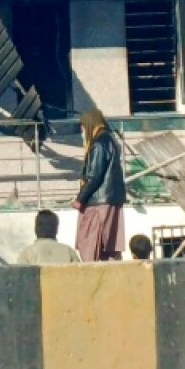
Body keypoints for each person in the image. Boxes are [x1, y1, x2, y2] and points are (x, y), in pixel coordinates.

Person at [72, 109, 127, 262]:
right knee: (110, 245)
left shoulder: (98, 143)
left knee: (89, 242)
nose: (82, 132)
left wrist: (80, 199)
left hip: (97, 202)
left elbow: (94, 175)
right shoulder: (110, 140)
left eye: (83, 127)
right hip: (112, 199)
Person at [16, 210, 81, 265]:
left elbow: (20, 277)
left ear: (35, 229)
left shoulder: (27, 252)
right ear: (56, 229)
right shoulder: (68, 251)